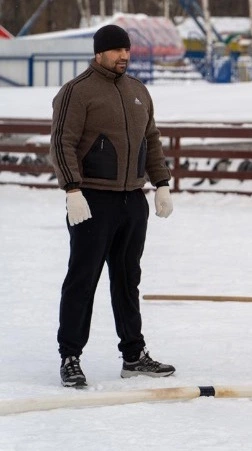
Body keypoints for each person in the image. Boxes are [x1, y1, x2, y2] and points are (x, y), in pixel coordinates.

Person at [49, 24, 175, 388]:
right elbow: (62, 143)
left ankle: (133, 356)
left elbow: (151, 140)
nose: (124, 56)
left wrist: (162, 184)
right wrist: (72, 190)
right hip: (91, 201)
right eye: (117, 50)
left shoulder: (138, 90)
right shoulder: (77, 92)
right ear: (99, 52)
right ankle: (70, 356)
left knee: (127, 281)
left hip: (132, 201)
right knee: (82, 280)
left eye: (127, 50)